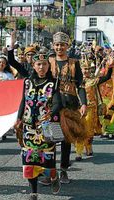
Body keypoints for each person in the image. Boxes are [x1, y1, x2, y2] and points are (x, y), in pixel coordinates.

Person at [40, 32, 87, 185]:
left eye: (63, 45)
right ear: (53, 46)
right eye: (57, 45)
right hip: (52, 107)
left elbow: (80, 85)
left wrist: (84, 103)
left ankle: (64, 171)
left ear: (67, 46)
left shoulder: (74, 63)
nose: (60, 47)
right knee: (50, 140)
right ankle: (49, 173)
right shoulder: (48, 61)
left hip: (70, 106)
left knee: (66, 141)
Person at [15, 50, 61, 200]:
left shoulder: (54, 82)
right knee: (29, 161)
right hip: (29, 127)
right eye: (38, 64)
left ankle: (54, 177)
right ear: (33, 66)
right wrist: (18, 118)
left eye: (44, 64)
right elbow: (23, 101)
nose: (42, 67)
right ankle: (33, 192)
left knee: (47, 162)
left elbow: (58, 103)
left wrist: (51, 112)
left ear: (49, 66)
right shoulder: (27, 82)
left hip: (47, 127)